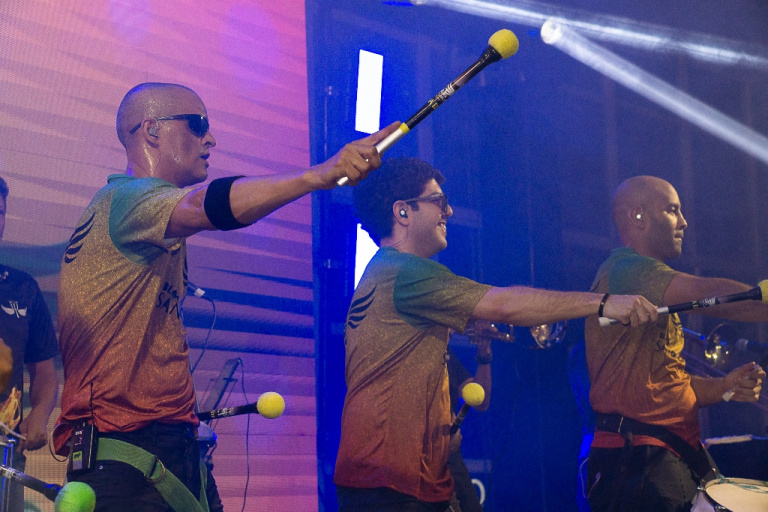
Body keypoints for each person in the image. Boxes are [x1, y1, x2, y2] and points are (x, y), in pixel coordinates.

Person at [53, 82, 399, 511]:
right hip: (126, 457)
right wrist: (317, 175)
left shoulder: (147, 223)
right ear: (152, 130)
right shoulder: (125, 199)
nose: (210, 139)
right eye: (198, 125)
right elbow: (204, 206)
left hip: (168, 447)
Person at [334, 157, 659, 512]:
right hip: (391, 485)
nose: (449, 211)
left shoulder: (382, 273)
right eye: (439, 201)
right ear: (403, 212)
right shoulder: (406, 271)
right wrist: (604, 302)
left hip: (389, 480)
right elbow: (504, 304)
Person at [584, 175, 767, 512]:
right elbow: (709, 293)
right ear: (638, 216)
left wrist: (725, 387)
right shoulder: (628, 270)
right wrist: (761, 301)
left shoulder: (643, 285)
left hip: (660, 454)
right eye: (672, 210)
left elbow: (665, 384)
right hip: (640, 461)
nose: (684, 222)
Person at [0, 176, 59, 512]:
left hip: (6, 456)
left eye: (0, 212)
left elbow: (44, 372)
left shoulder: (24, 288)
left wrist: (40, 413)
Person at [446, 328, 492, 512]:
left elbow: (481, 402)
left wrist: (484, 355)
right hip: (421, 455)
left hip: (450, 455)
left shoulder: (448, 354)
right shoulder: (419, 350)